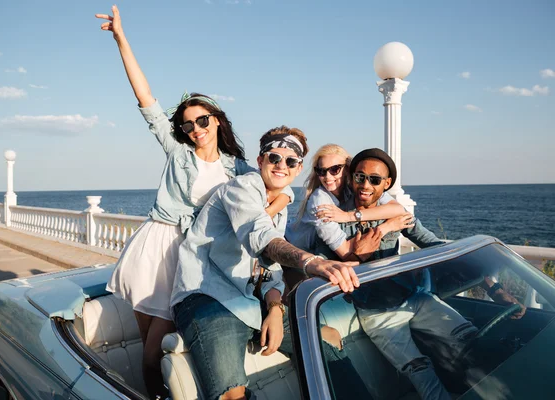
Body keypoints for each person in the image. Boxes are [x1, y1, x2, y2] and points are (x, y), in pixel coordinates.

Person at [95, 6, 289, 398]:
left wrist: (283, 197)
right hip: (158, 245)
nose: (195, 129)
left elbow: (260, 202)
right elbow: (146, 100)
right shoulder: (178, 153)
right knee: (150, 344)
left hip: (195, 257)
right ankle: (154, 394)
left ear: (216, 120)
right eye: (187, 124)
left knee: (160, 344)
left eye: (202, 121)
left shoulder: (239, 169)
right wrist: (121, 38)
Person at [171, 126, 362, 400]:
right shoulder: (240, 188)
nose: (281, 165)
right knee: (230, 394)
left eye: (291, 161)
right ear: (260, 161)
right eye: (274, 158)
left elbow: (269, 269)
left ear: (297, 170)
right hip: (208, 298)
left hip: (251, 302)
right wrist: (311, 262)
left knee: (329, 354)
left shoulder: (280, 206)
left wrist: (275, 308)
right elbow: (262, 238)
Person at [322, 148, 526, 400]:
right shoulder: (334, 220)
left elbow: (441, 250)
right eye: (359, 177)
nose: (365, 185)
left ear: (386, 184)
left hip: (415, 298)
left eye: (375, 180)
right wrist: (359, 254)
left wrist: (494, 288)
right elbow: (326, 266)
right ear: (351, 177)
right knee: (421, 374)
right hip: (376, 312)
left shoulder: (395, 214)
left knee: (473, 341)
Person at [286, 143, 412, 262]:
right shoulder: (320, 201)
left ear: (347, 169)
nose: (328, 177)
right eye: (322, 171)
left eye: (334, 169)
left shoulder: (357, 186)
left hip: (315, 254)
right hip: (294, 252)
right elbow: (346, 252)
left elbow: (398, 209)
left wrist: (348, 216)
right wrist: (387, 227)